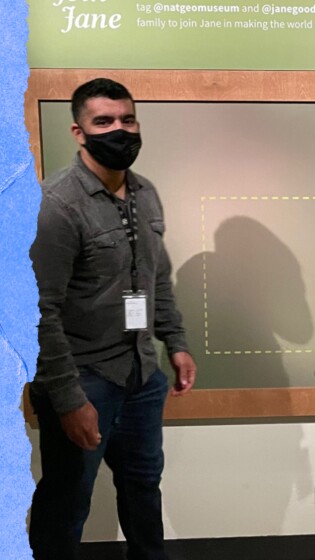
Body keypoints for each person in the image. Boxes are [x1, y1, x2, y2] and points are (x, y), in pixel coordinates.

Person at [28, 78, 197, 560]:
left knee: (144, 490)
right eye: (103, 121)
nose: (118, 130)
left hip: (141, 376)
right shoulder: (56, 205)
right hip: (82, 380)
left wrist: (176, 342)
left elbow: (156, 277)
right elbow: (39, 311)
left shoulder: (146, 194)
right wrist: (68, 399)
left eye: (127, 119)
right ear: (79, 132)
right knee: (66, 501)